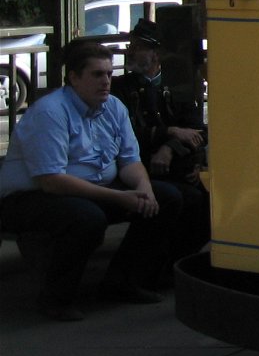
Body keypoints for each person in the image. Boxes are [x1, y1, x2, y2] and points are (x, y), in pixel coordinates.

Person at [0, 38, 184, 320]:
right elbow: (51, 180)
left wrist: (143, 189)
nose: (106, 82)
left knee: (166, 197)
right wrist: (120, 197)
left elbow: (129, 160)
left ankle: (123, 281)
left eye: (109, 74)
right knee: (85, 217)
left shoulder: (113, 107)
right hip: (32, 196)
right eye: (97, 75)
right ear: (74, 77)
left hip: (95, 187)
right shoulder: (51, 112)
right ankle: (56, 299)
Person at [112, 19, 210, 263]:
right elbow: (124, 134)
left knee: (211, 202)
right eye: (130, 45)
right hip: (136, 168)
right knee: (175, 199)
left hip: (175, 165)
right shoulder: (119, 89)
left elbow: (197, 130)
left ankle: (174, 263)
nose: (130, 51)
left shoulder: (177, 87)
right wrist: (168, 132)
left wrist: (170, 147)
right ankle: (146, 266)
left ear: (156, 54)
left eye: (138, 47)